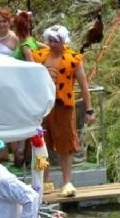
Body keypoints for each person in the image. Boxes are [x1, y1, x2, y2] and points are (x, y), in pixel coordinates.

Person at [29, 25, 93, 197]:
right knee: (41, 144)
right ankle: (45, 179)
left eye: (56, 41)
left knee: (66, 145)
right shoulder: (40, 57)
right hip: (43, 107)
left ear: (63, 41)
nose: (53, 44)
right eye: (50, 41)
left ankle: (67, 181)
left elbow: (84, 86)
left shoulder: (73, 59)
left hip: (64, 107)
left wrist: (89, 109)